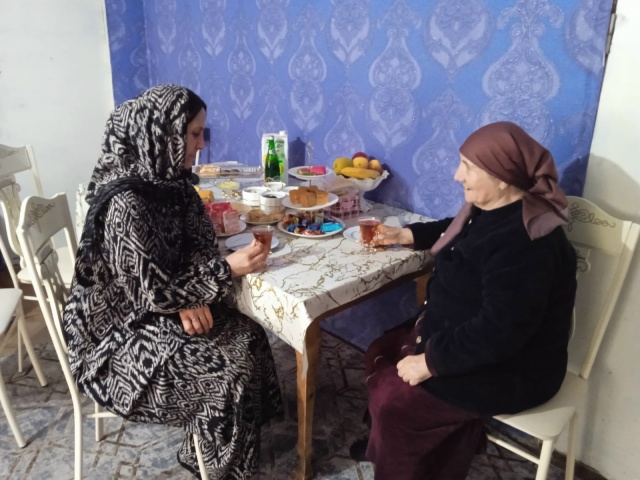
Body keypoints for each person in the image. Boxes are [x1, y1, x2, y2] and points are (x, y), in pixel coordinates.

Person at [63, 84, 283, 479]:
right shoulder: (125, 202)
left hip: (159, 305)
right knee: (226, 376)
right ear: (162, 134)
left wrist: (191, 293)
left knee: (250, 335)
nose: (201, 145)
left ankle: (211, 449)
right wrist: (223, 271)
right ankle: (221, 469)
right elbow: (149, 293)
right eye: (194, 134)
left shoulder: (173, 182)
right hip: (117, 338)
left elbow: (199, 241)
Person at [351, 121, 577, 479]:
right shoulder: (492, 210)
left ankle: (400, 453)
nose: (458, 176)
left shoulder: (527, 243)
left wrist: (430, 362)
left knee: (394, 400)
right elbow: (454, 230)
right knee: (380, 350)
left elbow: (500, 332)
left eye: (468, 167)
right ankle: (399, 444)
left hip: (511, 367)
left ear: (502, 176)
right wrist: (406, 234)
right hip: (464, 335)